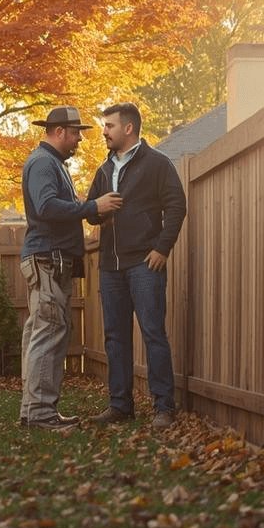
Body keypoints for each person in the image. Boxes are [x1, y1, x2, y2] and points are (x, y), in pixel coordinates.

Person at [19, 106, 123, 431]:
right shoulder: (43, 163)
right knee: (49, 333)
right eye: (76, 132)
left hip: (51, 259)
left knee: (43, 332)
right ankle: (40, 414)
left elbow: (57, 209)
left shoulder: (53, 163)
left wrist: (92, 214)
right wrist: (92, 206)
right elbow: (47, 207)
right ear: (59, 131)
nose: (80, 138)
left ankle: (33, 411)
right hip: (48, 259)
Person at [85, 101, 187, 428]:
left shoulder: (157, 163)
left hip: (144, 264)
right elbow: (90, 211)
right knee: (115, 338)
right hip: (110, 266)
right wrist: (98, 209)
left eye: (110, 126)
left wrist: (162, 248)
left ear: (128, 128)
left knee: (153, 333)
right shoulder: (104, 170)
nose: (104, 132)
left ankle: (164, 407)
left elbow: (177, 206)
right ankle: (120, 406)